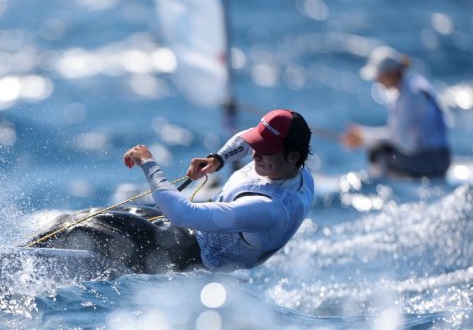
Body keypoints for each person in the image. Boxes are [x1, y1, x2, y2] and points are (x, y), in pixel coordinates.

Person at [123, 109, 314, 271]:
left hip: (188, 258)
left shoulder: (268, 209)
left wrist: (148, 163)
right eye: (257, 144)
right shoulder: (297, 172)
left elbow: (182, 214)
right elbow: (247, 139)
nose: (255, 153)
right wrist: (218, 159)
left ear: (292, 156)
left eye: (265, 149)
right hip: (187, 234)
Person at [342, 46, 451, 178]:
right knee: (384, 150)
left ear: (391, 74)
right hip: (439, 157)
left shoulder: (410, 95)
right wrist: (363, 136)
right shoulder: (414, 85)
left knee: (378, 153)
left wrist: (362, 138)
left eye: (379, 76)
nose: (377, 81)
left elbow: (397, 138)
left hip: (433, 161)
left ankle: (380, 189)